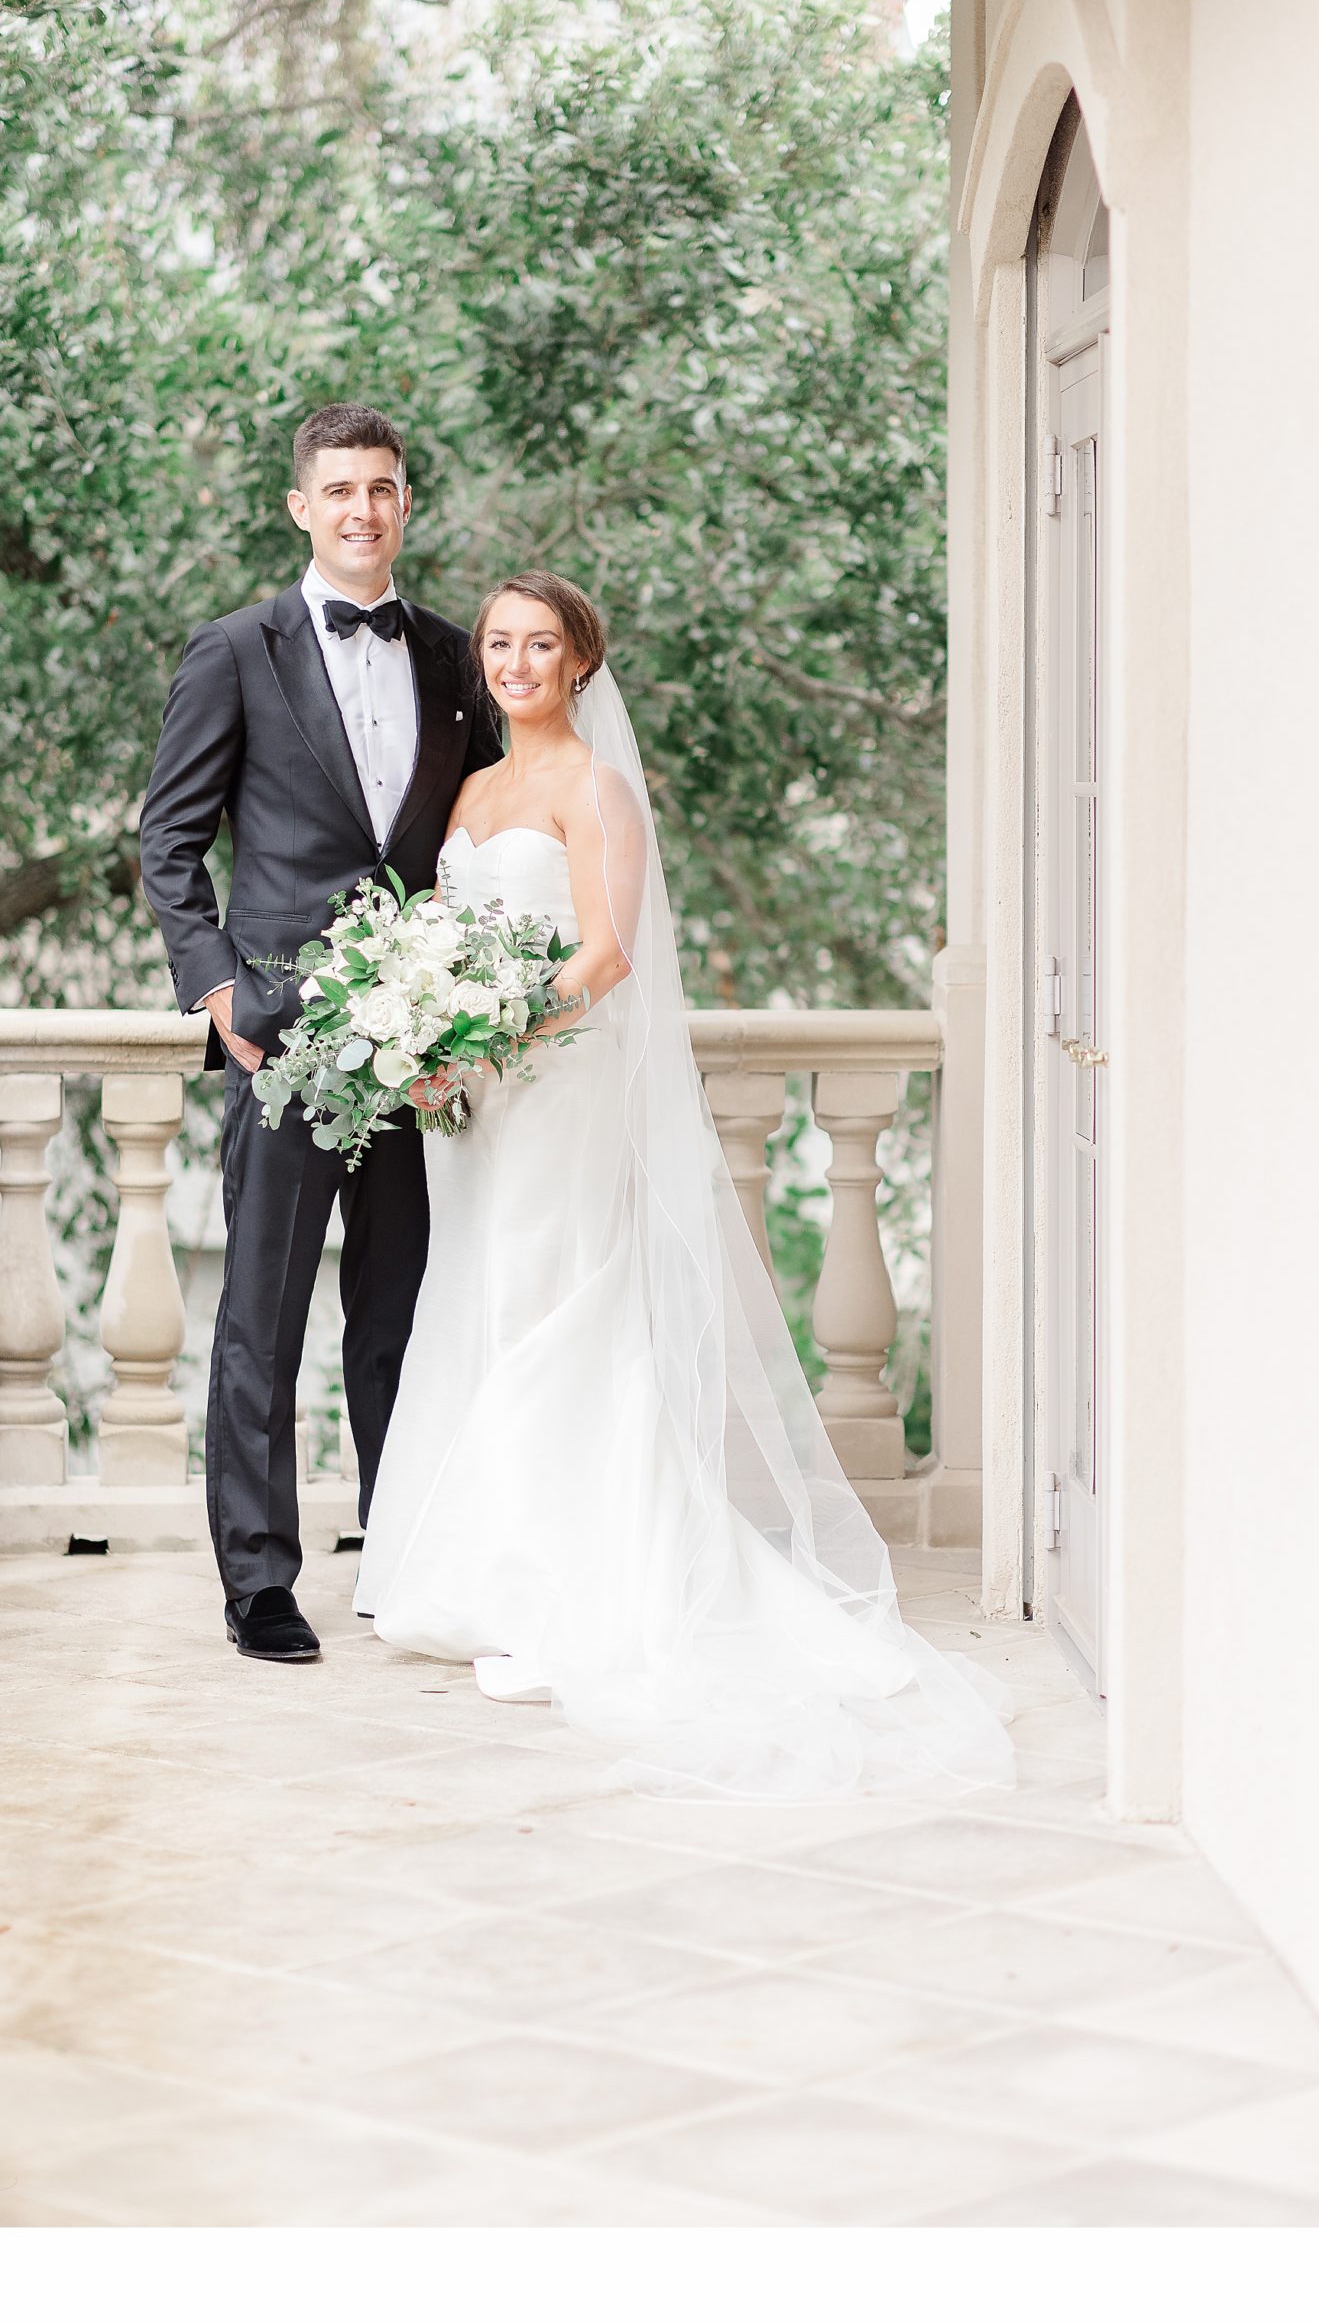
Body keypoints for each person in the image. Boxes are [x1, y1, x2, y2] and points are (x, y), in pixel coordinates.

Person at [355, 572, 1016, 1800]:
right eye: (498, 643)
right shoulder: (471, 788)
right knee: (485, 1302)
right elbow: (436, 935)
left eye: (538, 644)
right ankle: (488, 1569)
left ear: (578, 662)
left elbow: (604, 955)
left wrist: (490, 1026)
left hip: (556, 1082)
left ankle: (579, 1581)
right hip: (476, 1099)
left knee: (556, 1302)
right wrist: (433, 1045)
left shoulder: (595, 789)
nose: (512, 663)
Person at [138, 404, 502, 1663]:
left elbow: (485, 840)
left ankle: (400, 1558)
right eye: (339, 490)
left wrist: (474, 996)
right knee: (263, 1315)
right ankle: (257, 1580)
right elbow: (168, 842)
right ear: (301, 506)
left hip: (419, 1047)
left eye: (383, 489)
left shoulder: (459, 661)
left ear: (407, 504)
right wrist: (218, 991)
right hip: (281, 1042)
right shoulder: (236, 650)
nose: (362, 510)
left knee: (402, 1310)